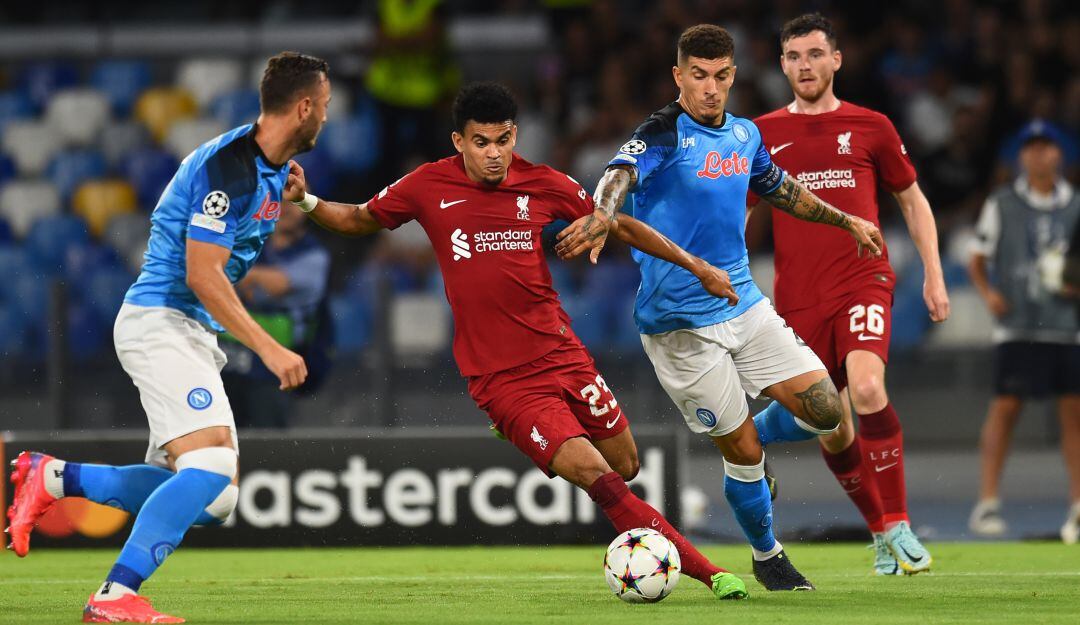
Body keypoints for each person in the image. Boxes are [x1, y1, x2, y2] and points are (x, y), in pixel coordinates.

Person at [291, 81, 751, 601]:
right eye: (481, 142)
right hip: (501, 377)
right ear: (458, 142)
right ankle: (712, 573)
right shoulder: (427, 185)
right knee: (599, 476)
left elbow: (615, 223)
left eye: (503, 140)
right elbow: (358, 218)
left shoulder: (544, 183)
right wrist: (306, 200)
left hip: (562, 354)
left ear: (515, 136)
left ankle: (533, 434)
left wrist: (699, 267)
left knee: (626, 465)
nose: (494, 154)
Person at [556, 24, 885, 591]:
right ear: (679, 75)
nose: (711, 88)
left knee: (827, 409)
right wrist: (605, 213)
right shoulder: (661, 133)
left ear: (734, 75)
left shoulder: (745, 135)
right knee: (744, 453)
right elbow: (618, 174)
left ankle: (752, 429)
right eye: (700, 76)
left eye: (722, 76)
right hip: (679, 325)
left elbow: (784, 189)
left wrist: (845, 218)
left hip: (743, 302)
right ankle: (768, 555)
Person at [6, 52, 330, 623]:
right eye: (324, 107)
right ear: (303, 107)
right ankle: (114, 596)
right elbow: (202, 275)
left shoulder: (270, 166)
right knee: (209, 468)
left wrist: (298, 197)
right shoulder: (230, 170)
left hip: (186, 331)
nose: (327, 118)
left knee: (215, 497)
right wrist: (269, 346)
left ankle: (52, 476)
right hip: (161, 323)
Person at [747, 13, 949, 576]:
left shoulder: (871, 126)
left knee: (865, 387)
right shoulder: (760, 133)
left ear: (836, 60)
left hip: (862, 278)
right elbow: (737, 211)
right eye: (793, 56)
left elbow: (912, 200)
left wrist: (933, 273)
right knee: (830, 422)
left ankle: (900, 522)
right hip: (798, 298)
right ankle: (881, 531)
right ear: (782, 64)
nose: (804, 66)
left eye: (815, 54)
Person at [967, 120, 1080, 544]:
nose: (1039, 155)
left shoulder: (1076, 205)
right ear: (1021, 156)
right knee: (1006, 408)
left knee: (1074, 415)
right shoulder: (1002, 202)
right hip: (1016, 323)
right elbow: (976, 256)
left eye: (1046, 147)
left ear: (1059, 154)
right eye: (1031, 147)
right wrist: (989, 294)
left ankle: (1078, 505)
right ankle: (988, 501)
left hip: (1066, 326)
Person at [222, 201, 333, 428]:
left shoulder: (315, 255)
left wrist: (245, 275)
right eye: (280, 201)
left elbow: (278, 283)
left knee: (268, 444)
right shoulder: (251, 240)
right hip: (229, 361)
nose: (286, 208)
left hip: (272, 368)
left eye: (295, 202)